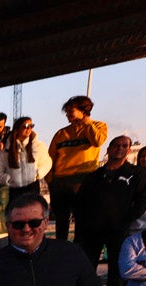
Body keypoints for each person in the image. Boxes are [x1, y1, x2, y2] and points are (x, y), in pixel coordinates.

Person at [74, 135, 146, 286]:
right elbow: (80, 201)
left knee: (117, 269)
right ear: (108, 149)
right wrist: (82, 225)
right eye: (116, 145)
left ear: (129, 150)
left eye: (124, 146)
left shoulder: (135, 174)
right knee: (87, 266)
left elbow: (143, 199)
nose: (120, 148)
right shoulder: (94, 176)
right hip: (92, 230)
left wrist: (127, 219)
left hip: (118, 230)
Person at [46, 95, 108, 241]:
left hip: (84, 180)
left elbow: (97, 140)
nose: (67, 115)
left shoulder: (99, 126)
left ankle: (80, 249)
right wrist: (51, 181)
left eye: (70, 111)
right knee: (61, 220)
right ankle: (61, 247)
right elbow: (50, 158)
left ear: (83, 110)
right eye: (66, 112)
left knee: (83, 218)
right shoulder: (61, 134)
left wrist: (86, 123)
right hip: (60, 181)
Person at [0, 116, 52, 202]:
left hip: (34, 187)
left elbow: (47, 162)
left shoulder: (38, 146)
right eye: (25, 126)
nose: (29, 129)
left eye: (31, 126)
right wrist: (8, 179)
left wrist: (38, 173)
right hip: (14, 190)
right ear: (17, 129)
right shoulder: (6, 151)